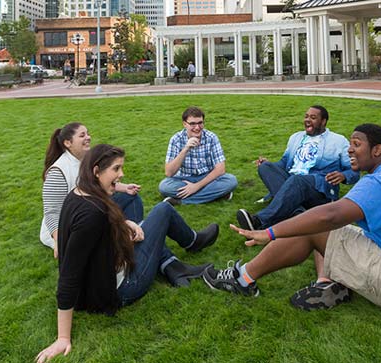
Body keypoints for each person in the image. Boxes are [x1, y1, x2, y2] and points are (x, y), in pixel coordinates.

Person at [203, 124, 381, 316]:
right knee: (317, 222)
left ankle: (242, 279)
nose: (350, 150)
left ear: (377, 151)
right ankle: (326, 282)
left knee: (314, 223)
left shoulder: (378, 183)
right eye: (350, 144)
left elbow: (330, 215)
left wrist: (270, 233)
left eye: (357, 144)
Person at [36, 144, 218, 363]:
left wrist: (125, 226)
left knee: (134, 202)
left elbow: (97, 242)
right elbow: (68, 275)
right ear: (96, 171)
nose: (121, 174)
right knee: (163, 210)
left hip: (101, 280)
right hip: (121, 289)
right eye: (116, 169)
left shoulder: (79, 193)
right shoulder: (93, 215)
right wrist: (63, 337)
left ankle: (171, 267)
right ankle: (192, 242)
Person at [236, 105, 359, 231]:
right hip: (292, 181)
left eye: (313, 117)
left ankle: (258, 221)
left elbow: (354, 172)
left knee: (297, 180)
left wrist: (343, 176)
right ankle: (297, 213)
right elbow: (284, 163)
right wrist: (270, 164)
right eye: (306, 116)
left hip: (318, 187)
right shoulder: (296, 137)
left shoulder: (338, 141)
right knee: (265, 167)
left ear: (323, 122)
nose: (307, 120)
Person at [41, 122, 143, 258]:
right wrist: (60, 240)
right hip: (69, 226)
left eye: (88, 133)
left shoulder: (86, 160)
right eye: (82, 135)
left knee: (131, 197)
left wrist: (125, 188)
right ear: (67, 143)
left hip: (90, 210)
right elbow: (51, 213)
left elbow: (98, 184)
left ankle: (134, 234)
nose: (88, 137)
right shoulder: (57, 172)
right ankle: (133, 239)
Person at [159, 106, 237, 205]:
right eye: (192, 124)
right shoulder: (176, 139)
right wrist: (185, 149)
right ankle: (217, 194)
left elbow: (220, 169)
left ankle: (181, 201)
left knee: (231, 180)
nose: (197, 127)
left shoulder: (211, 137)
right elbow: (169, 172)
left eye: (200, 123)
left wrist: (196, 186)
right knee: (164, 186)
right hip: (184, 178)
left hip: (207, 177)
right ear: (184, 124)